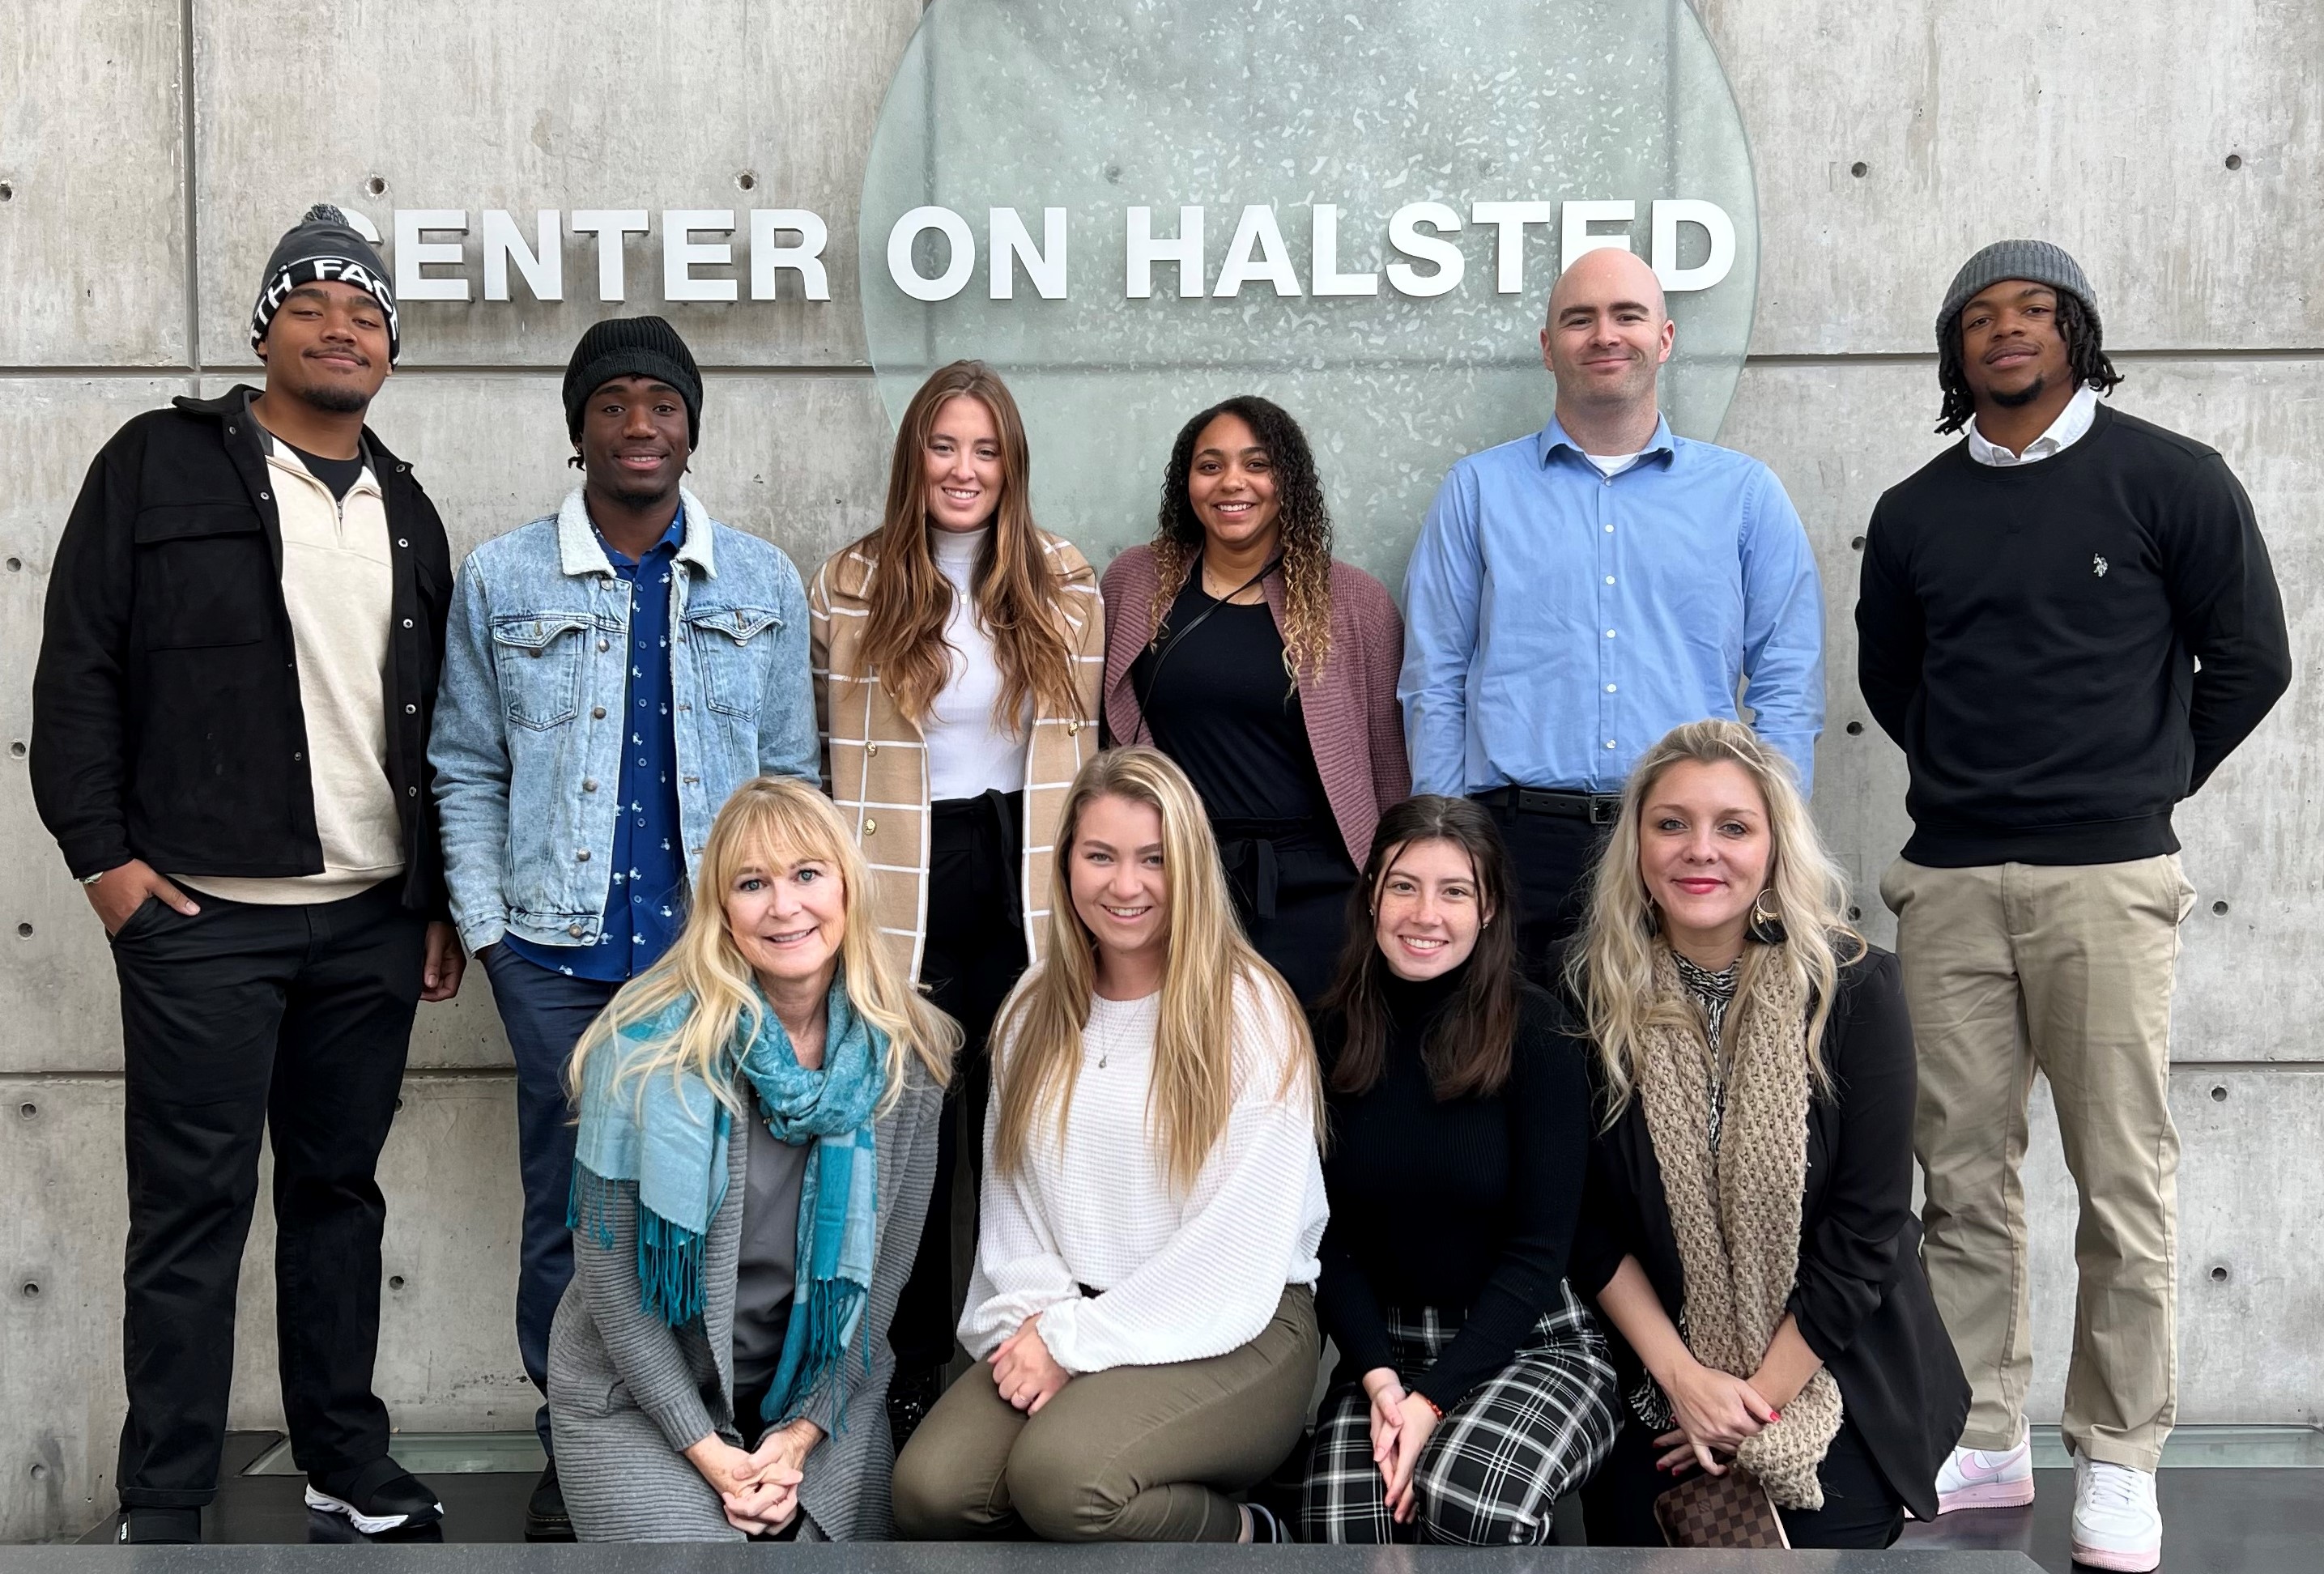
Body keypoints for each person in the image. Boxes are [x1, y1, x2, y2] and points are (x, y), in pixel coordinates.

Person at [1858, 240, 2290, 1572]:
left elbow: (2253, 660)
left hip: (2109, 879)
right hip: (1951, 881)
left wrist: (2137, 780)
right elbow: (1896, 682)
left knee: (2122, 1176)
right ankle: (1981, 1427)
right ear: (1954, 353)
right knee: (1963, 1172)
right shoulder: (1919, 507)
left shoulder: (2172, 478)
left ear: (2078, 330)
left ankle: (2118, 1457)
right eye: (1980, 318)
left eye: (2033, 311)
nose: (2006, 333)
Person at [29, 205, 461, 1542]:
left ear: (391, 346)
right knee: (190, 1211)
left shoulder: (406, 505)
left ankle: (342, 1455)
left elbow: (436, 719)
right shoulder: (157, 465)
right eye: (315, 301)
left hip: (367, 920)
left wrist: (435, 893)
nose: (345, 324)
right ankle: (163, 1491)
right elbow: (79, 669)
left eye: (370, 309)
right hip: (202, 918)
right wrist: (103, 862)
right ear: (264, 325)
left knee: (339, 1196)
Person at [430, 316, 819, 1538]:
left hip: (713, 957)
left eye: (661, 402)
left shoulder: (758, 579)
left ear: (691, 426)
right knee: (575, 1208)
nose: (638, 423)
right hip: (556, 953)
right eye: (612, 404)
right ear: (578, 427)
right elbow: (463, 766)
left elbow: (793, 778)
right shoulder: (503, 577)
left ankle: (710, 1436)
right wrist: (494, 934)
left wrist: (781, 928)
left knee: (721, 1202)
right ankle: (578, 1443)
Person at [891, 747, 1329, 1543]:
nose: (1125, 887)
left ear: (1188, 868)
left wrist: (1070, 1346)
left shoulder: (1249, 1010)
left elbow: (1232, 1253)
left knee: (1062, 1480)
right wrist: (1048, 1324)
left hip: (1241, 1320)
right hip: (1075, 1308)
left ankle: (1251, 1537)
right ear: (1064, 868)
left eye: (1152, 860)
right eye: (1100, 856)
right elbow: (1012, 1212)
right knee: (929, 1490)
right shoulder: (1032, 1005)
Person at [1565, 721, 1968, 1549]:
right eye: (1670, 823)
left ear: (1773, 848)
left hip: (1829, 1363)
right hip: (1656, 1374)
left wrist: (1751, 1404)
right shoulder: (1585, 997)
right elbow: (1582, 1223)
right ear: (1636, 846)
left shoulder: (1857, 989)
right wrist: (1684, 1383)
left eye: (1733, 827)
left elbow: (1868, 1231)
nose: (1698, 850)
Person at [807, 360, 1105, 1444]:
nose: (964, 469)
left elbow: (1085, 759)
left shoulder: (1064, 583)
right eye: (944, 447)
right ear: (913, 460)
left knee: (1024, 1131)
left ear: (1011, 465)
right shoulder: (849, 582)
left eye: (985, 450)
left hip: (1020, 873)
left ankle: (1032, 1354)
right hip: (898, 881)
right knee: (909, 1138)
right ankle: (909, 1366)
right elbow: (817, 755)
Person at [545, 775, 955, 1542]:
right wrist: (712, 1455)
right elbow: (613, 1288)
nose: (784, 905)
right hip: (645, 1400)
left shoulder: (907, 1058)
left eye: (806, 875)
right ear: (721, 911)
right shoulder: (641, 1051)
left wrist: (797, 1439)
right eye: (752, 883)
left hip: (818, 1405)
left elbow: (883, 1287)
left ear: (846, 889)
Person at [1399, 247, 1824, 977]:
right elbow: (1433, 676)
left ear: (1664, 338)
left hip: (1682, 850)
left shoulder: (1745, 496)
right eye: (1579, 319)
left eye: (1627, 315)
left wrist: (1764, 833)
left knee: (1676, 1078)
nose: (1604, 335)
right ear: (1546, 346)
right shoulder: (1477, 491)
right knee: (1514, 1072)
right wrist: (1445, 843)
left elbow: (1789, 679)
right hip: (1515, 847)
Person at [1301, 795, 1617, 1545]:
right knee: (1346, 1527)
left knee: (1471, 1501)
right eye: (1404, 885)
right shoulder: (1324, 1035)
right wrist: (1383, 1381)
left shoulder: (1539, 1033)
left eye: (1455, 891)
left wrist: (1432, 1401)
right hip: (1388, 1349)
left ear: (1489, 909)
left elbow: (1541, 1250)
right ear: (1372, 893)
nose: (1425, 914)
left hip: (1534, 1337)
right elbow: (1324, 1238)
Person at [1100, 395, 1408, 1005]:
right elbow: (1094, 726)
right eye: (1209, 465)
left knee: (1318, 1071)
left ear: (1286, 479)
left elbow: (1389, 763)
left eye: (1256, 463)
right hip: (1181, 878)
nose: (1232, 482)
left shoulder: (1355, 602)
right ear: (1185, 483)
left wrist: (1395, 880)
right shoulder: (1137, 582)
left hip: (1319, 889)